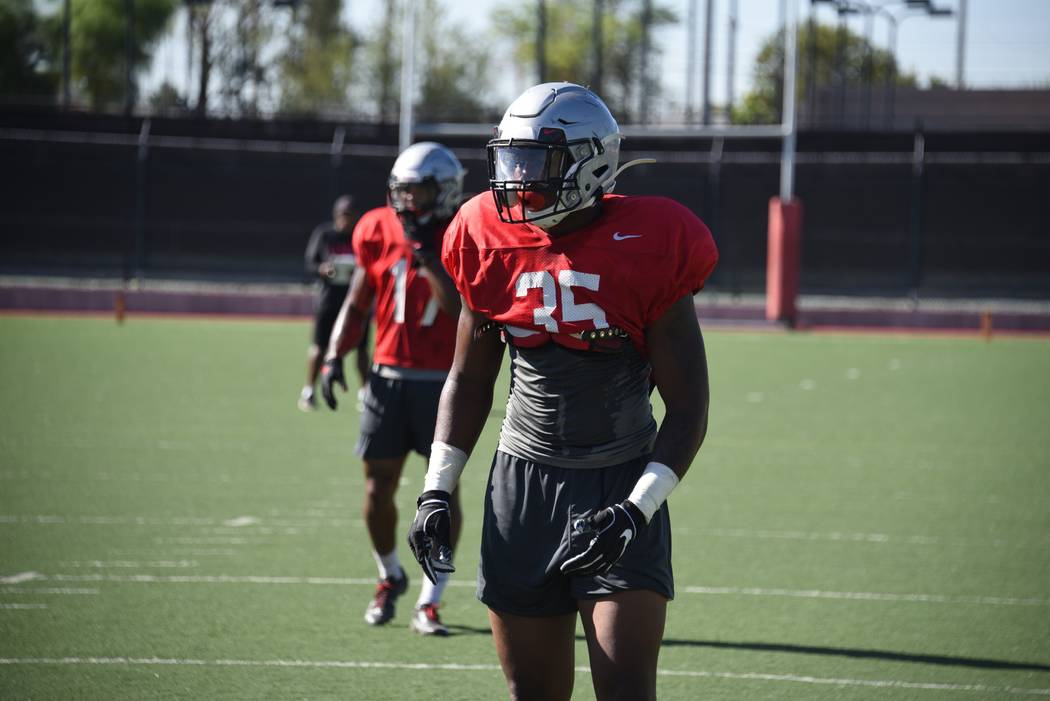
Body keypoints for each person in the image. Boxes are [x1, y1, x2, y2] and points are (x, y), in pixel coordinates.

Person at [407, 83, 719, 699]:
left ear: (592, 161)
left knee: (627, 691)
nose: (516, 180)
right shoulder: (482, 233)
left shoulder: (651, 241)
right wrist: (436, 490)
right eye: (510, 161)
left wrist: (637, 509)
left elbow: (688, 406)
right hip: (520, 491)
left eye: (534, 163)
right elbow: (469, 379)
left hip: (618, 481)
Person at [321, 142, 466, 636]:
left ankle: (431, 598)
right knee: (376, 488)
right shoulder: (377, 227)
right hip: (387, 378)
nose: (408, 203)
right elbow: (360, 297)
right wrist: (333, 353)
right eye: (402, 192)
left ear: (444, 192)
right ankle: (390, 575)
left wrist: (427, 250)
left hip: (444, 384)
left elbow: (458, 309)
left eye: (418, 193)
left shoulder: (462, 232)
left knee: (441, 493)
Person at [299, 195, 370, 412]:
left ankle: (365, 393)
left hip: (357, 301)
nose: (344, 220)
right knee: (319, 346)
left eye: (349, 215)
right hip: (329, 300)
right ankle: (309, 390)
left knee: (361, 348)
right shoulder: (325, 234)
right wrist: (324, 269)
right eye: (341, 215)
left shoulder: (361, 236)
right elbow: (311, 262)